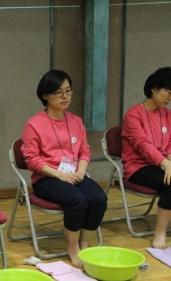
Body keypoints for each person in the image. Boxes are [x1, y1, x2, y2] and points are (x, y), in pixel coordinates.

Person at [21, 69, 107, 268]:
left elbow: (84, 151)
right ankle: (73, 246)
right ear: (45, 95)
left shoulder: (75, 121)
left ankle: (85, 242)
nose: (65, 96)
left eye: (68, 91)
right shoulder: (34, 125)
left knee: (98, 198)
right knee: (77, 200)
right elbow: (32, 160)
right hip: (46, 178)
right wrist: (59, 175)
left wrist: (81, 172)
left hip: (74, 174)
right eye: (58, 92)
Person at [122, 67, 171, 249]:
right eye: (168, 92)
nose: (170, 98)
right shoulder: (133, 115)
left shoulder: (167, 114)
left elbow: (170, 142)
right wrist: (167, 164)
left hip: (162, 164)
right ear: (154, 89)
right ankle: (160, 232)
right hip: (138, 167)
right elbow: (143, 145)